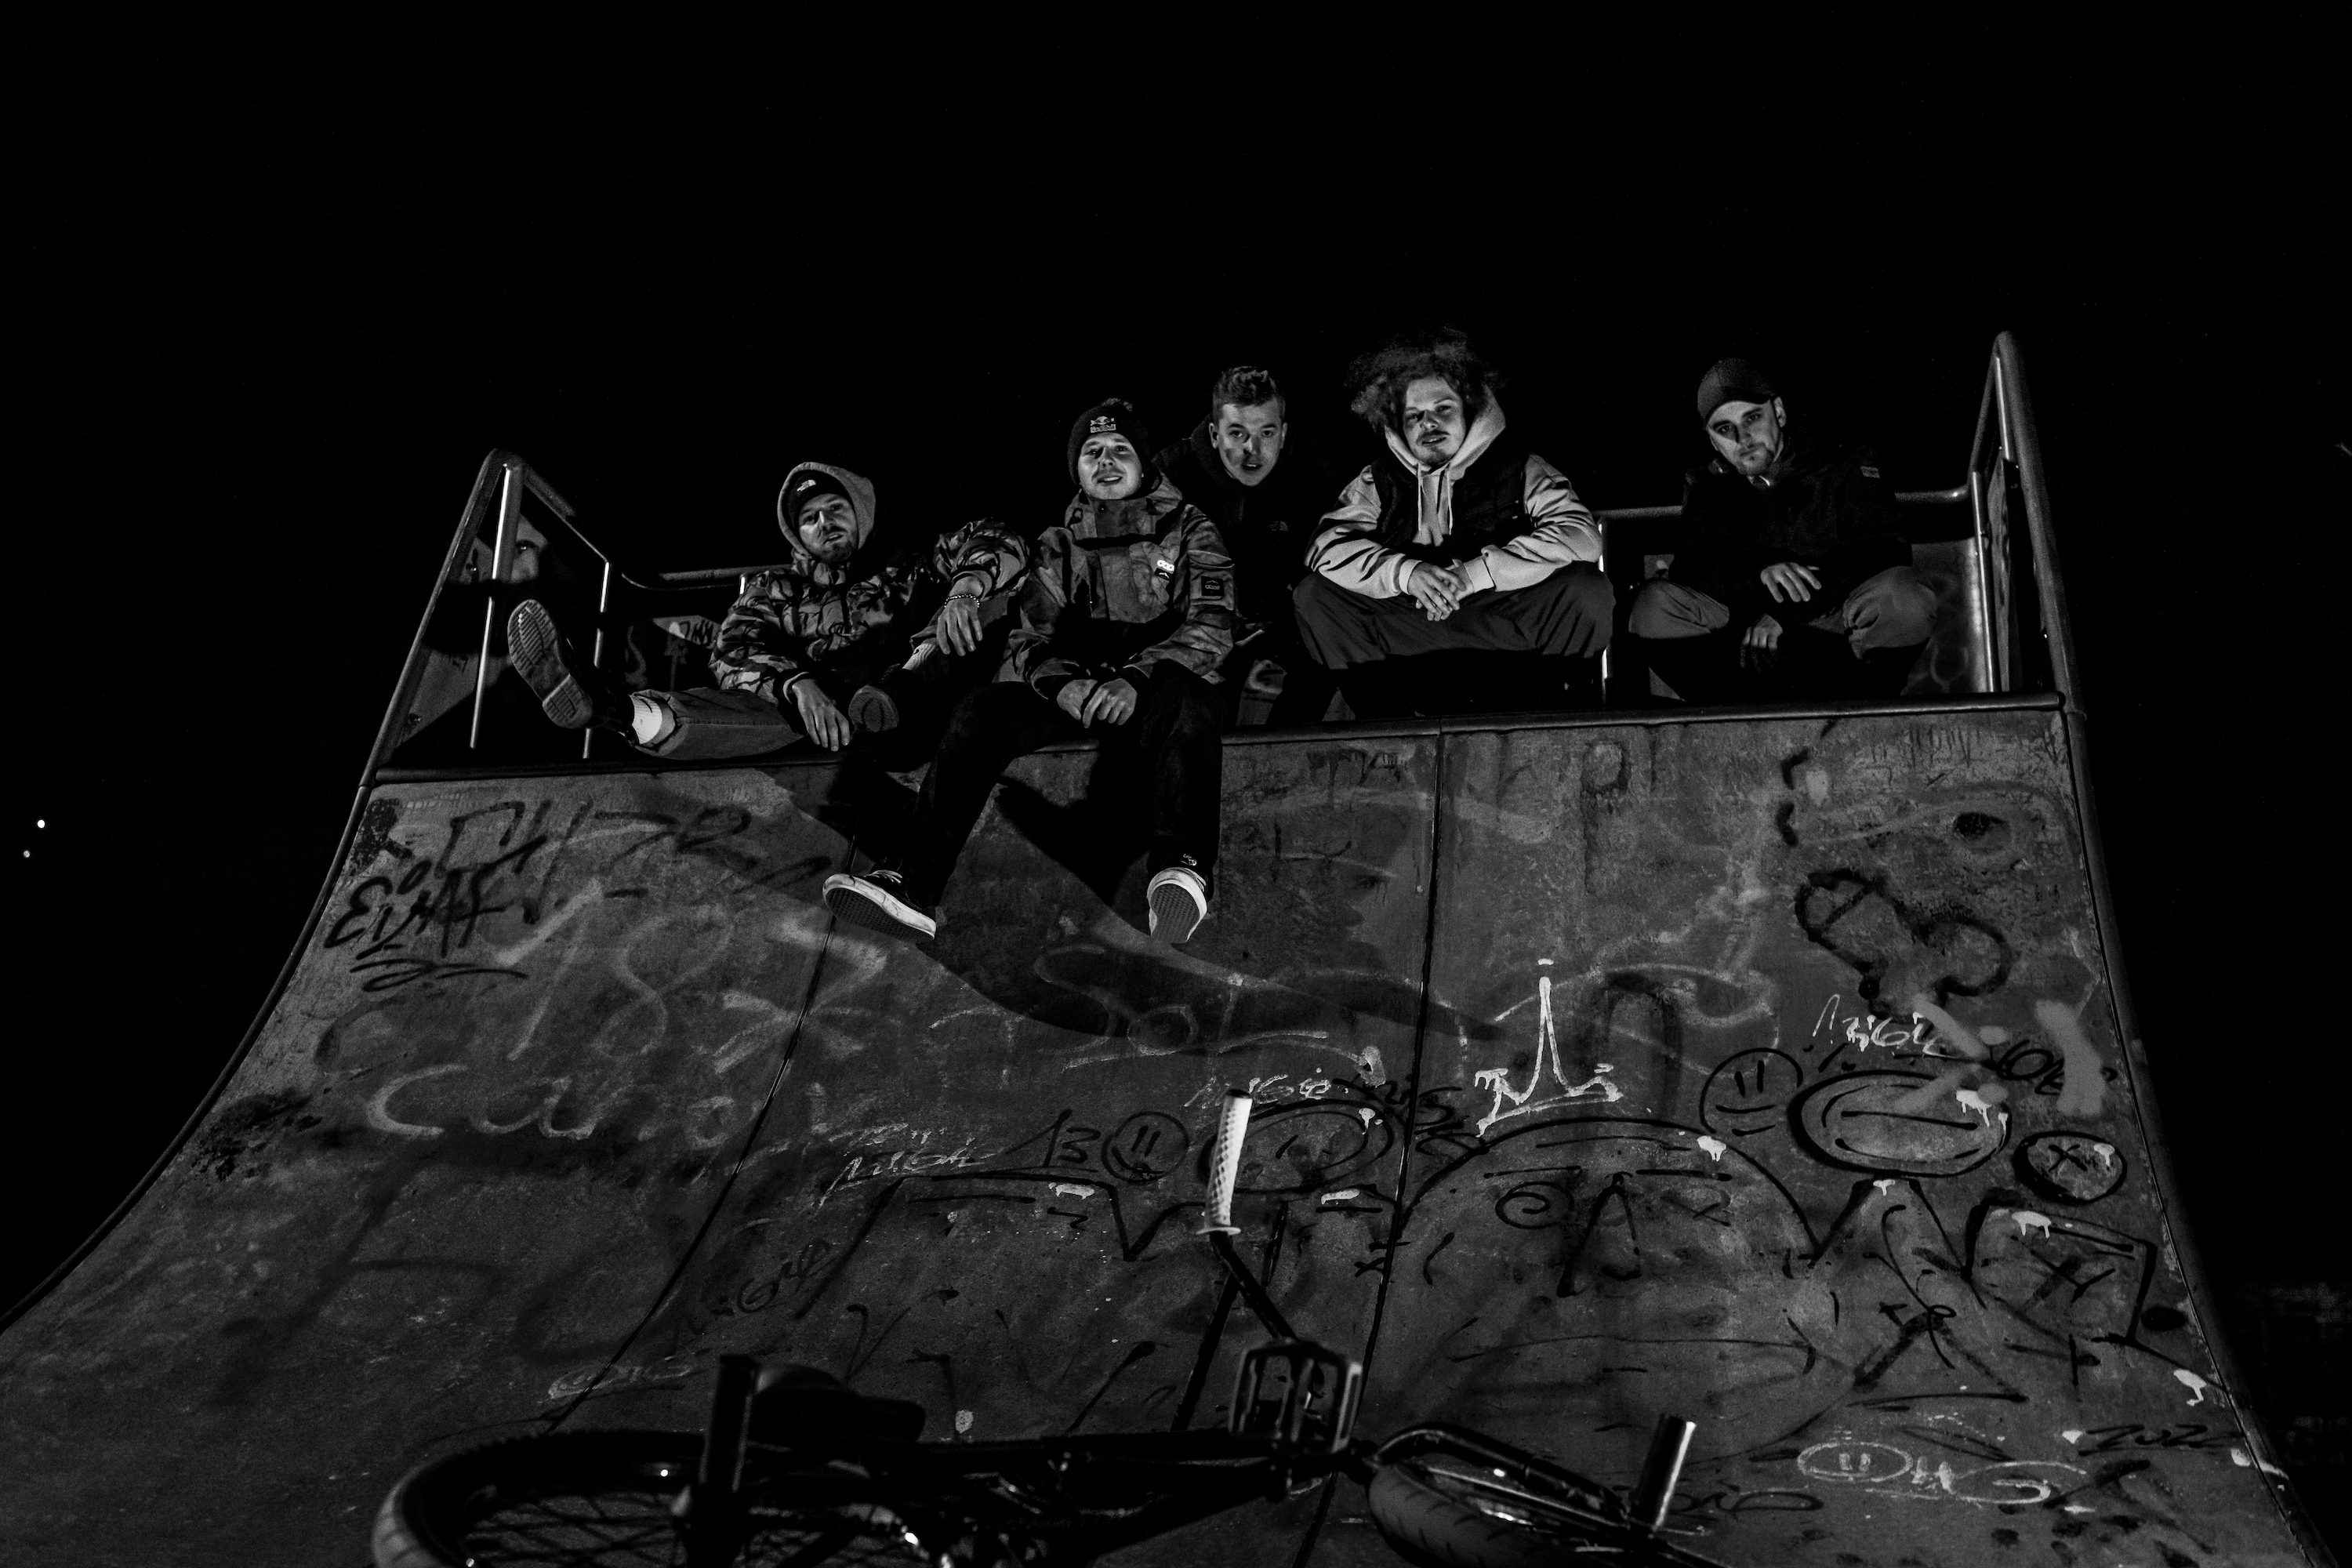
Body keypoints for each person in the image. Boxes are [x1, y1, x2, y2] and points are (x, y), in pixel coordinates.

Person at [823, 400, 1234, 946]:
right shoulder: (1059, 542)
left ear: (1142, 464)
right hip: (1078, 691)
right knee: (983, 708)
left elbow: (1212, 625)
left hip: (1154, 690)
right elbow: (1028, 637)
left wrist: (1135, 679)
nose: (1106, 462)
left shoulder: (1189, 527)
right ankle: (912, 882)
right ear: (1077, 469)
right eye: (1092, 452)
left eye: (1120, 451)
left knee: (1194, 700)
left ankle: (1182, 869)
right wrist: (1066, 686)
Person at [506, 461, 1025, 761]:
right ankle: (613, 710)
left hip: (922, 708)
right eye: (810, 519)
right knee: (745, 705)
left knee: (973, 611)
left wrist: (965, 589)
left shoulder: (914, 567)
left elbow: (995, 537)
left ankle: (897, 687)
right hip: (831, 724)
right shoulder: (778, 590)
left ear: (861, 513)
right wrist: (795, 685)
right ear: (798, 535)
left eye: (835, 509)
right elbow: (735, 647)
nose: (824, 523)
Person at [1293, 332, 1612, 717]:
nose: (1428, 423)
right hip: (1414, 621)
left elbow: (1580, 533)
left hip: (1497, 619)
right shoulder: (1378, 479)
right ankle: (1387, 727)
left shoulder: (1520, 467)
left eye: (1442, 408)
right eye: (1414, 416)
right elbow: (1326, 544)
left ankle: (1548, 719)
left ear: (1469, 411)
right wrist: (1406, 573)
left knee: (1587, 590)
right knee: (1316, 596)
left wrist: (1478, 574)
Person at [1628, 359, 1936, 702]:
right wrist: (1759, 572)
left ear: (1778, 412)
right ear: (1712, 441)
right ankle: (1728, 716)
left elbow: (1883, 548)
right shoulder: (1708, 485)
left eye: (1752, 418)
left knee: (1903, 596)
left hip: (1830, 624)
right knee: (1653, 606)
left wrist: (1785, 614)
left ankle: (1867, 711)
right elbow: (1693, 568)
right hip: (1748, 640)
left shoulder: (1841, 459)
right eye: (1725, 429)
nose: (1743, 439)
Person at [1152, 365, 1337, 725]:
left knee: (1328, 654)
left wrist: (1282, 618)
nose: (1253, 450)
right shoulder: (1170, 475)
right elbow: (1152, 567)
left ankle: (1278, 752)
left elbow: (1320, 563)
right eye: (1237, 433)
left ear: (1283, 434)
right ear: (1215, 434)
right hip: (1192, 615)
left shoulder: (1306, 477)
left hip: (1272, 616)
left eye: (1267, 433)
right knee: (1201, 702)